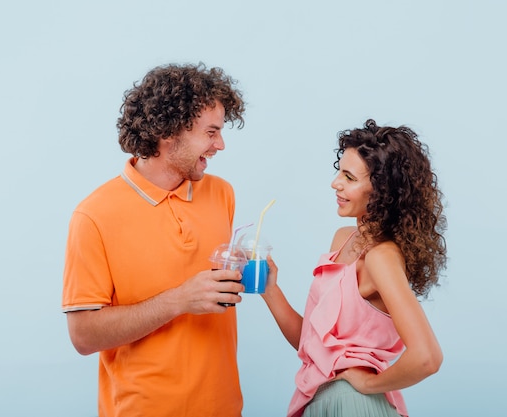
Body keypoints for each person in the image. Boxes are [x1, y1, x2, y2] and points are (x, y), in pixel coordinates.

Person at [62, 63, 247, 417]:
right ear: (169, 133)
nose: (220, 145)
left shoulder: (222, 194)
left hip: (224, 407)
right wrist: (178, 300)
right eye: (211, 133)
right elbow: (83, 336)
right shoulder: (93, 216)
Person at [262, 119, 447, 417]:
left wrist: (368, 383)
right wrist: (271, 290)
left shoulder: (380, 257)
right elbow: (314, 346)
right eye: (339, 172)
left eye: (349, 177)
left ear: (383, 191)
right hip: (322, 400)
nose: (336, 183)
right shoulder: (343, 239)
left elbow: (428, 357)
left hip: (355, 405)